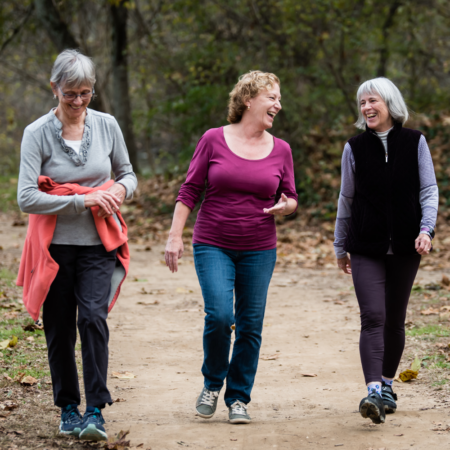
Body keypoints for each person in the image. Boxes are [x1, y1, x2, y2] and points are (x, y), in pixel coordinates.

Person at [16, 49, 137, 441]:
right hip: (53, 249)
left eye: (85, 93)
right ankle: (68, 407)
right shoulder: (36, 133)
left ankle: (95, 409)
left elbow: (129, 174)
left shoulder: (107, 126)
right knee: (59, 328)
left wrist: (119, 189)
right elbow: (25, 197)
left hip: (97, 245)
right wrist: (80, 200)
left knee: (92, 319)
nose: (78, 101)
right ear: (54, 89)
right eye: (70, 93)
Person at [165, 71, 298, 424]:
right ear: (248, 99)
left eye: (279, 98)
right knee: (221, 316)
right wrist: (175, 236)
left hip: (259, 247)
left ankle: (238, 398)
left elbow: (291, 197)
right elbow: (189, 190)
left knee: (251, 324)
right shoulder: (213, 140)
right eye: (272, 97)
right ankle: (212, 383)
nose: (278, 105)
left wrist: (286, 207)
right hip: (213, 243)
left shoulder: (281, 149)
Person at [334, 77, 438, 424]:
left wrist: (426, 230)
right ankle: (374, 391)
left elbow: (429, 191)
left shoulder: (415, 142)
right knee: (373, 317)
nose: (366, 108)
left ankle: (388, 384)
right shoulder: (355, 147)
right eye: (362, 103)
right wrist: (339, 245)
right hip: (365, 245)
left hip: (407, 247)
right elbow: (346, 199)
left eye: (372, 101)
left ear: (390, 103)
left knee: (394, 320)